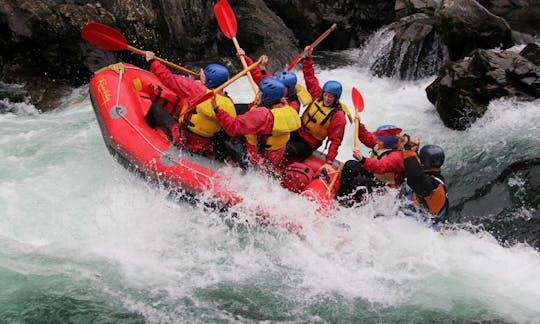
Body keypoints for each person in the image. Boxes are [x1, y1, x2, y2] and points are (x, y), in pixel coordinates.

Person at [144, 51, 237, 156]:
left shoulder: (195, 89)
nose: (201, 73)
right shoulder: (228, 102)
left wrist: (152, 61)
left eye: (204, 74)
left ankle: (145, 134)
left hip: (183, 138)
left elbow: (168, 78)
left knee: (156, 107)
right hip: (205, 144)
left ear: (210, 81)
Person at [212, 77, 301, 171]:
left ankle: (219, 161)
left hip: (256, 159)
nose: (257, 94)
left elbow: (233, 127)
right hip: (272, 157)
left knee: (222, 134)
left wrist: (216, 109)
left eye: (260, 92)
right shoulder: (284, 105)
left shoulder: (262, 115)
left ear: (267, 96)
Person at [284, 46, 352, 167]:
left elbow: (335, 141)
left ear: (336, 98)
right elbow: (310, 78)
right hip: (299, 129)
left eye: (330, 97)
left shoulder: (338, 116)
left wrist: (329, 161)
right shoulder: (318, 96)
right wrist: (308, 59)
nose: (327, 98)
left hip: (309, 142)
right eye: (326, 95)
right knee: (275, 139)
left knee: (286, 150)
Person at [337, 124, 408, 206]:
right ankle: (342, 195)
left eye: (380, 140)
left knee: (359, 182)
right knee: (350, 165)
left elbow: (381, 166)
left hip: (386, 186)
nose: (377, 141)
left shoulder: (397, 156)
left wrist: (363, 160)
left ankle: (352, 203)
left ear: (388, 142)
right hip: (375, 174)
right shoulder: (381, 144)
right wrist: (360, 126)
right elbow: (367, 138)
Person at [237, 48, 311, 113]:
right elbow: (255, 73)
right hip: (253, 109)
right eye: (278, 83)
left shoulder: (293, 106)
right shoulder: (274, 86)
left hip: (263, 118)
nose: (278, 87)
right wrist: (244, 58)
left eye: (283, 86)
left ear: (290, 89)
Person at [402, 144, 449, 225]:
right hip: (421, 223)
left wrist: (407, 150)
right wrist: (414, 151)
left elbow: (415, 176)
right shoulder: (435, 180)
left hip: (420, 226)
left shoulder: (430, 185)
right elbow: (417, 171)